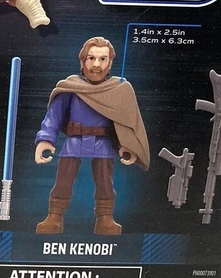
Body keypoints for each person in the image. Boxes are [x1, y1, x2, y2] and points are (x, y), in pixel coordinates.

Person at [34, 37, 149, 235]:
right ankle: (54, 216)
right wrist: (45, 138)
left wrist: (125, 144)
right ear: (83, 61)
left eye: (103, 59)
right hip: (74, 141)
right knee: (63, 180)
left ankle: (105, 219)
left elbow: (123, 121)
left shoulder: (118, 89)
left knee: (105, 182)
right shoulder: (71, 87)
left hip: (103, 142)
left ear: (110, 63)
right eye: (91, 58)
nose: (96, 64)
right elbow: (54, 115)